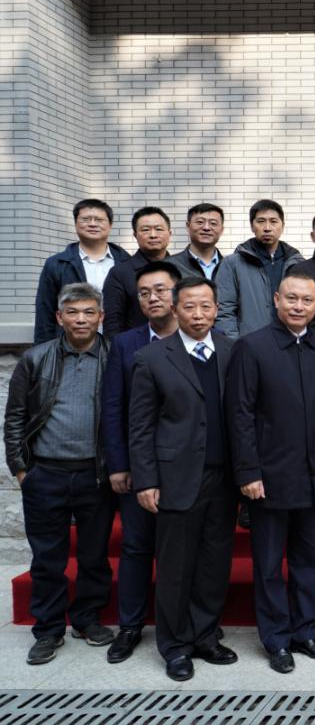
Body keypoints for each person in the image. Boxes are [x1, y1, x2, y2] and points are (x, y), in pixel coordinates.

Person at [225, 272, 315, 673]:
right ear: (276, 299)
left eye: (307, 300)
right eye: (291, 298)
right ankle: (276, 640)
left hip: (314, 476)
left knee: (309, 561)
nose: (298, 306)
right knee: (270, 565)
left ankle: (306, 632)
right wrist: (248, 472)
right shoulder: (251, 347)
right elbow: (239, 414)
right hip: (268, 478)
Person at [128, 276, 238, 682]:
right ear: (175, 309)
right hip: (176, 478)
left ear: (216, 309)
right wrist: (146, 480)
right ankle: (174, 646)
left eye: (206, 306)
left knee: (213, 563)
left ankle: (205, 635)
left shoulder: (231, 350)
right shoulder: (151, 358)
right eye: (189, 306)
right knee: (176, 567)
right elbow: (140, 426)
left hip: (224, 478)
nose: (198, 314)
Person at [5, 283, 115, 664]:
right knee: (47, 558)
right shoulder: (36, 359)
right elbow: (15, 417)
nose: (81, 319)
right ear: (59, 317)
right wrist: (21, 470)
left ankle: (87, 619)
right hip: (45, 474)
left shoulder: (115, 357)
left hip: (95, 474)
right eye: (73, 312)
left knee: (94, 555)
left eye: (88, 312)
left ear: (101, 317)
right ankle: (49, 629)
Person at [100, 260, 182, 664]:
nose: (152, 298)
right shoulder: (125, 344)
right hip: (138, 465)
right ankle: (130, 626)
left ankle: (186, 624)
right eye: (145, 293)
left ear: (178, 294)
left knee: (182, 550)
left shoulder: (198, 339)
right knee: (135, 547)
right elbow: (113, 406)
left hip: (186, 467)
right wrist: (118, 464)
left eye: (161, 290)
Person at [34, 199, 130, 344]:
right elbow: (45, 311)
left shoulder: (127, 263)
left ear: (110, 225)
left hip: (118, 344)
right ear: (75, 224)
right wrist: (43, 350)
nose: (92, 224)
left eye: (99, 220)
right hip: (70, 346)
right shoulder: (57, 264)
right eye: (85, 219)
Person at [216, 199, 305, 338]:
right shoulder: (233, 263)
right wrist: (234, 344)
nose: (267, 227)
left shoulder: (297, 263)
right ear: (252, 226)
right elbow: (224, 310)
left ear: (282, 226)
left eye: (273, 221)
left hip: (291, 341)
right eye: (261, 221)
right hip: (250, 343)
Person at [102, 207, 173, 338]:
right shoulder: (120, 273)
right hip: (136, 346)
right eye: (145, 230)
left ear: (169, 233)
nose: (153, 235)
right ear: (135, 235)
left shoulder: (181, 268)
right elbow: (112, 323)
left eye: (159, 229)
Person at [168, 203, 225, 281]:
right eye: (200, 222)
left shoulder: (230, 266)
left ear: (221, 230)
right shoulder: (169, 265)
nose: (206, 228)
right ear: (188, 226)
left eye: (213, 223)